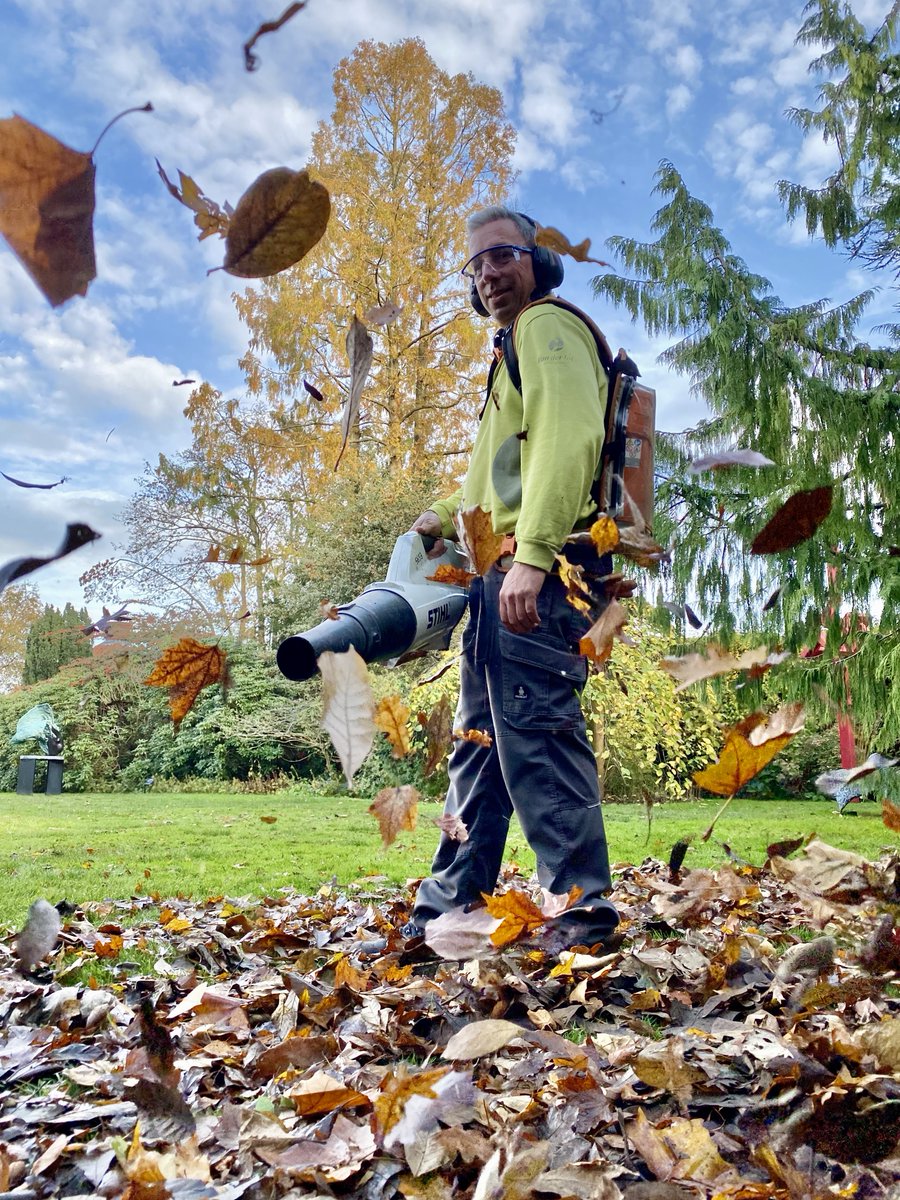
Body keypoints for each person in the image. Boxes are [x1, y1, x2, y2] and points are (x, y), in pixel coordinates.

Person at [404, 205, 619, 951]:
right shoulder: (510, 354)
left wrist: (530, 557)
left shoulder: (545, 328)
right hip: (501, 575)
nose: (490, 273)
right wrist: (437, 517)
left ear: (537, 261)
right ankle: (448, 907)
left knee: (537, 735)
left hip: (540, 572)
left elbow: (569, 439)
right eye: (478, 264)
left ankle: (584, 920)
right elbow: (494, 482)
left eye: (503, 256)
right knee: (481, 742)